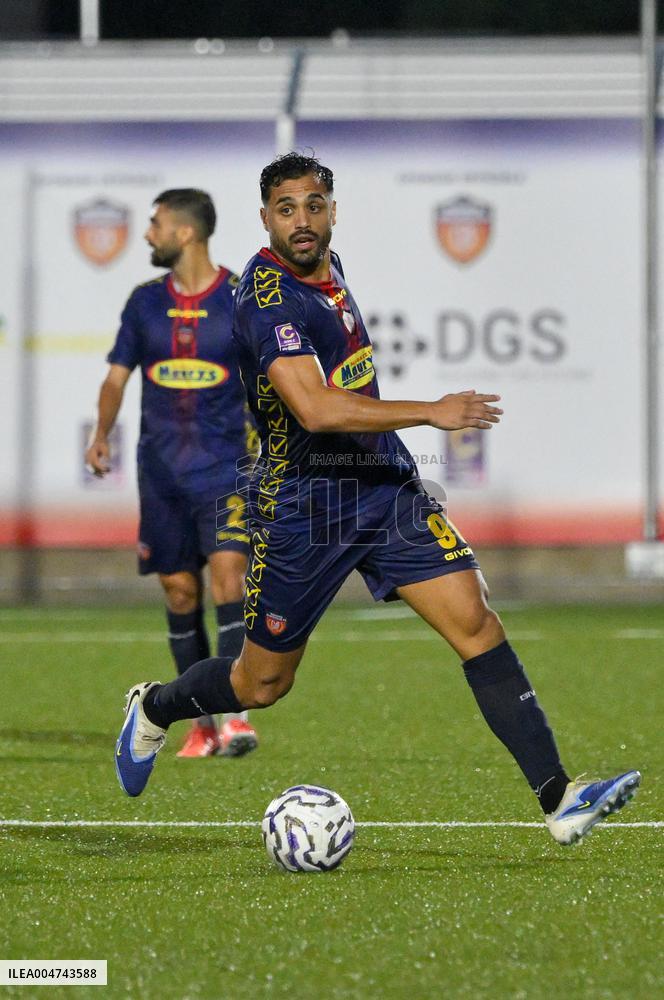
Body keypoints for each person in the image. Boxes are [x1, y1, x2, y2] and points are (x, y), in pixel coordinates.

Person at [114, 155, 640, 846]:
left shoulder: (332, 270)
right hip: (307, 507)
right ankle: (156, 705)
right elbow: (316, 408)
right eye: (285, 208)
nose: (301, 221)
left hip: (384, 490)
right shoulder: (267, 298)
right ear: (265, 217)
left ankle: (558, 798)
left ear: (334, 209)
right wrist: (434, 410)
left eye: (314, 204)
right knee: (262, 684)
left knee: (477, 626)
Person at [87, 188, 259, 758]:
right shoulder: (143, 303)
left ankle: (235, 717)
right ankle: (201, 724)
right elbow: (116, 379)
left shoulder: (240, 299)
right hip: (160, 472)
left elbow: (271, 377)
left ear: (186, 233)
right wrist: (101, 432)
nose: (147, 234)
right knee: (180, 589)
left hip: (227, 467)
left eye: (156, 224)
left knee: (229, 578)